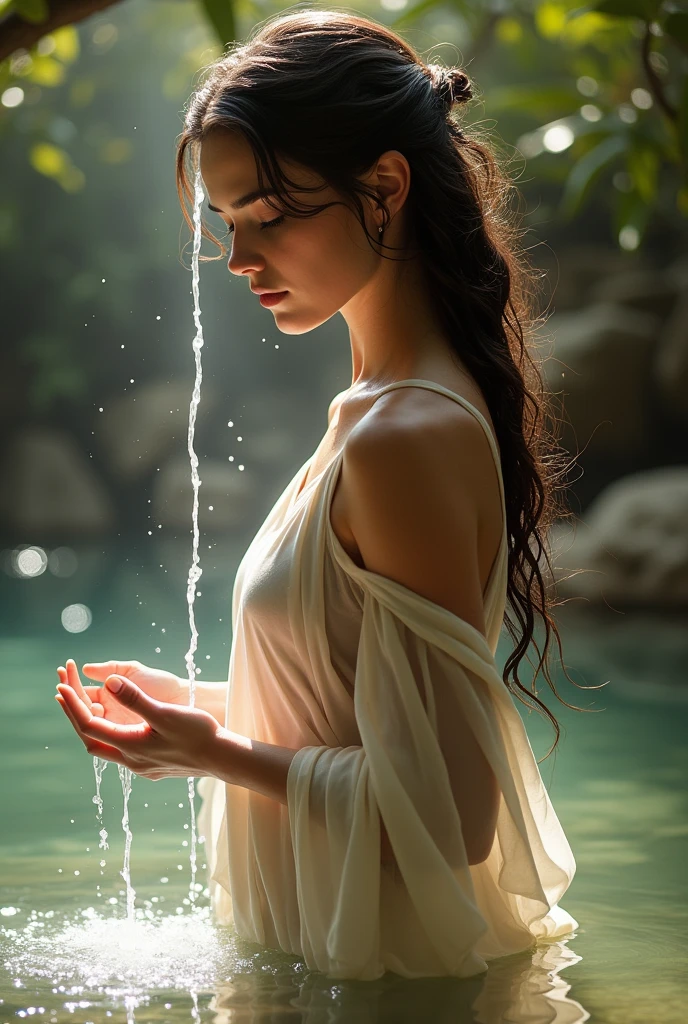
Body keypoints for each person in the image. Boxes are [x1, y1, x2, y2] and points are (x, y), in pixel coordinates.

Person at [56, 9, 590, 981]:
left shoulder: (402, 435)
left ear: (383, 187)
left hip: (393, 985)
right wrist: (206, 712)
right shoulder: (378, 408)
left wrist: (213, 752)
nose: (239, 258)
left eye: (269, 212)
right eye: (225, 222)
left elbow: (449, 816)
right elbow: (365, 726)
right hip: (344, 971)